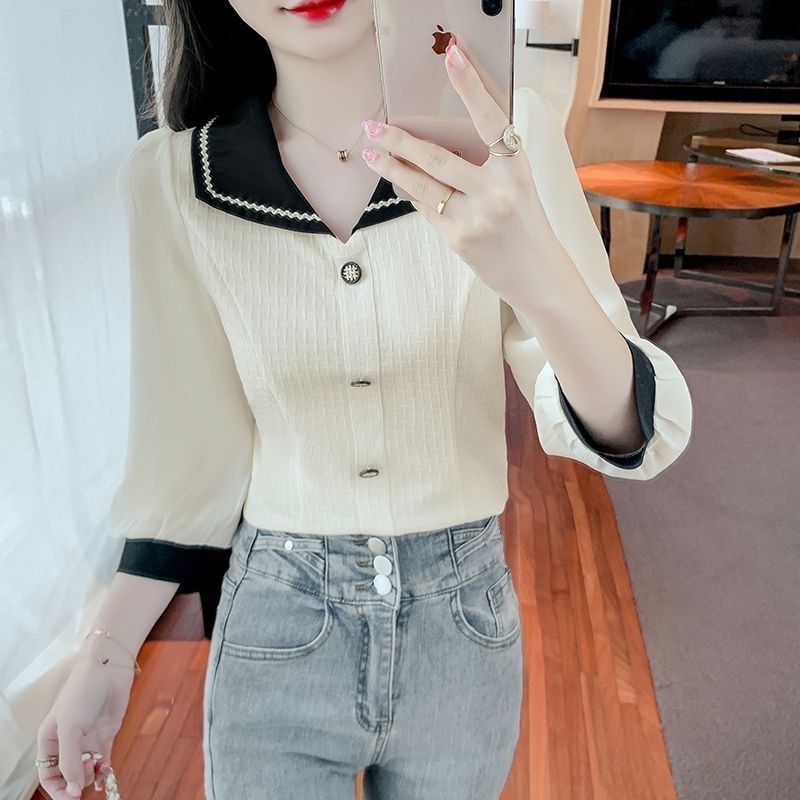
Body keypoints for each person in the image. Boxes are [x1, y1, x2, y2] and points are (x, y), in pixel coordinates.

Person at [36, 1, 693, 798]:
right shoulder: (172, 181)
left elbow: (632, 430)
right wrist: (107, 653)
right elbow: (188, 454)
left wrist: (540, 278)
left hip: (462, 634)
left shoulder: (502, 137)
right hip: (275, 630)